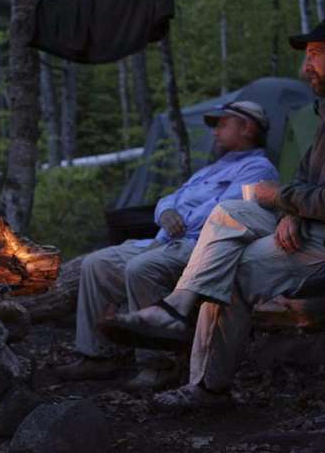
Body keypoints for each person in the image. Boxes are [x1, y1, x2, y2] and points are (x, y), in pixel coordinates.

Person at [101, 15, 325, 409]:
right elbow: (306, 177)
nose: (305, 66)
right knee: (229, 210)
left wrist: (283, 200)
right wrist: (292, 213)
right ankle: (178, 306)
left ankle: (206, 387)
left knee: (233, 270)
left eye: (314, 55)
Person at [54, 101, 280, 389]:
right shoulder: (212, 169)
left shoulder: (258, 169)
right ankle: (97, 355)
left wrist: (178, 217)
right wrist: (166, 213)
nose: (215, 132)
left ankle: (158, 364)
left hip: (199, 246)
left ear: (247, 128)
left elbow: (223, 212)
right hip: (166, 240)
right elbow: (170, 199)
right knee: (96, 264)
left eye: (223, 124)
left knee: (141, 268)